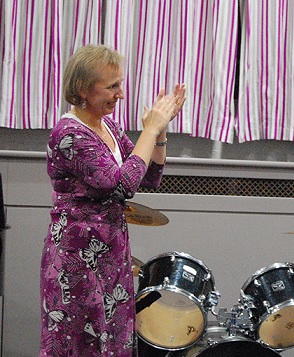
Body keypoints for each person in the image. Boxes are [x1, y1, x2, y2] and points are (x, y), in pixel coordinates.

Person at [39, 44, 186, 356]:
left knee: (113, 343)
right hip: (76, 260)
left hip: (111, 255)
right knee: (79, 345)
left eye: (121, 84)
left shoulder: (108, 126)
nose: (121, 94)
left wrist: (159, 133)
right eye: (112, 86)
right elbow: (121, 184)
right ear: (82, 88)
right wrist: (149, 129)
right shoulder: (69, 134)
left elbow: (148, 176)